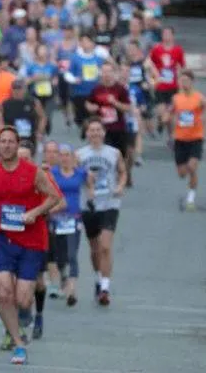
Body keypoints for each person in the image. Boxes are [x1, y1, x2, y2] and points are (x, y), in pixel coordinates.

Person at [0, 127, 62, 365]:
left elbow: (54, 197)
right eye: (3, 142)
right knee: (2, 292)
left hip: (31, 241)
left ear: (16, 145)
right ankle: (18, 343)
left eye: (12, 142)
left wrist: (35, 212)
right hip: (1, 239)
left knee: (22, 300)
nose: (7, 146)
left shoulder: (33, 172)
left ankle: (25, 317)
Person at [77, 118, 128, 306]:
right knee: (94, 249)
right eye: (92, 130)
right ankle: (99, 278)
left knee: (105, 246)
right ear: (87, 133)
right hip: (89, 205)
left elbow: (122, 172)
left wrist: (121, 185)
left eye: (99, 130)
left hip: (110, 203)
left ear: (104, 133)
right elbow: (73, 175)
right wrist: (86, 183)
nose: (95, 133)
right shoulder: (80, 155)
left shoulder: (113, 153)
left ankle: (105, 288)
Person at [169, 70, 206, 210]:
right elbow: (170, 112)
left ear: (192, 82)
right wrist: (165, 117)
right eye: (181, 80)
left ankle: (191, 197)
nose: (184, 83)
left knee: (192, 167)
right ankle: (190, 174)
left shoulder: (199, 98)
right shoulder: (176, 98)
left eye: (186, 80)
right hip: (180, 138)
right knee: (182, 173)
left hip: (196, 137)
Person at [48, 144, 84, 307]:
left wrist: (90, 197)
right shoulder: (52, 174)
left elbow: (91, 186)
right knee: (60, 256)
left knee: (72, 254)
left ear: (72, 157)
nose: (64, 158)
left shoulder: (80, 173)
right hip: (56, 218)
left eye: (67, 154)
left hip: (74, 217)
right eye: (61, 155)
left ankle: (72, 290)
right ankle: (63, 279)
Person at [149, 26, 186, 138]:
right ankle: (160, 121)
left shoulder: (178, 50)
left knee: (171, 115)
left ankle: (171, 137)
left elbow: (182, 67)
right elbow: (150, 63)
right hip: (160, 86)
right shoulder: (157, 49)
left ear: (173, 36)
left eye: (169, 34)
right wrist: (154, 76)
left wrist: (181, 84)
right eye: (164, 34)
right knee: (162, 112)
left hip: (173, 87)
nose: (166, 36)